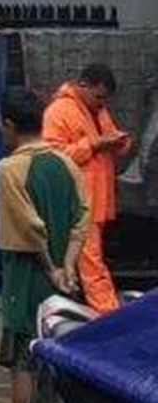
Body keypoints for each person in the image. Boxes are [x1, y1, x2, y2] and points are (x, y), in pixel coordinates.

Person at [0, 87, 89, 403]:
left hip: (28, 277)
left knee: (23, 364)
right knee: (54, 363)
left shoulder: (10, 168)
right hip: (65, 281)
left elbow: (30, 227)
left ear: (9, 125)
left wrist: (50, 267)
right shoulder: (65, 162)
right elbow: (83, 214)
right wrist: (68, 266)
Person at [42, 63, 132, 313]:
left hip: (98, 198)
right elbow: (54, 155)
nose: (101, 102)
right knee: (92, 263)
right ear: (84, 85)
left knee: (91, 261)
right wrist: (94, 144)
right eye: (99, 96)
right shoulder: (58, 111)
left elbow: (109, 139)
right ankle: (109, 315)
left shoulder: (98, 108)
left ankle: (102, 312)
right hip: (80, 200)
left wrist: (120, 143)